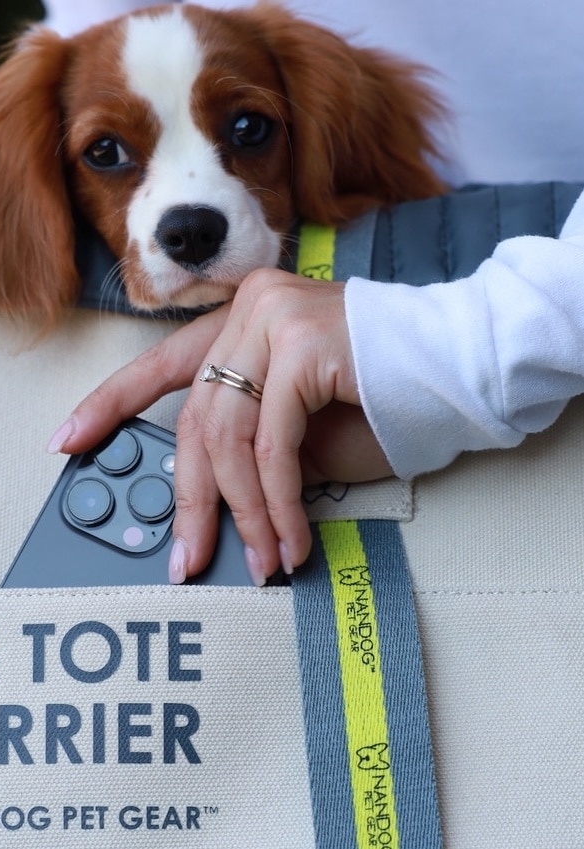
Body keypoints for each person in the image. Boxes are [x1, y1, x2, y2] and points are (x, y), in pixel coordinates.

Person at [42, 1, 584, 585]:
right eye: (106, 153)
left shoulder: (307, 77)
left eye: (249, 130)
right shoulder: (53, 89)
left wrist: (448, 345)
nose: (187, 216)